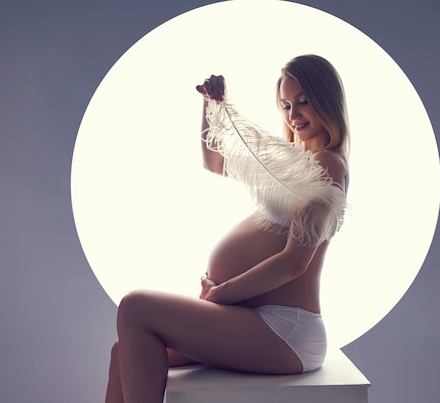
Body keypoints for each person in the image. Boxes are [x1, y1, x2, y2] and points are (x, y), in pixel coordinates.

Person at [105, 54, 350, 403]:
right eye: (285, 106)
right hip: (251, 320)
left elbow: (295, 262)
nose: (293, 115)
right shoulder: (291, 161)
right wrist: (211, 106)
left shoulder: (328, 163)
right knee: (125, 351)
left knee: (136, 307)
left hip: (284, 332)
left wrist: (223, 293)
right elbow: (214, 161)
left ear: (326, 100)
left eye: (303, 102)